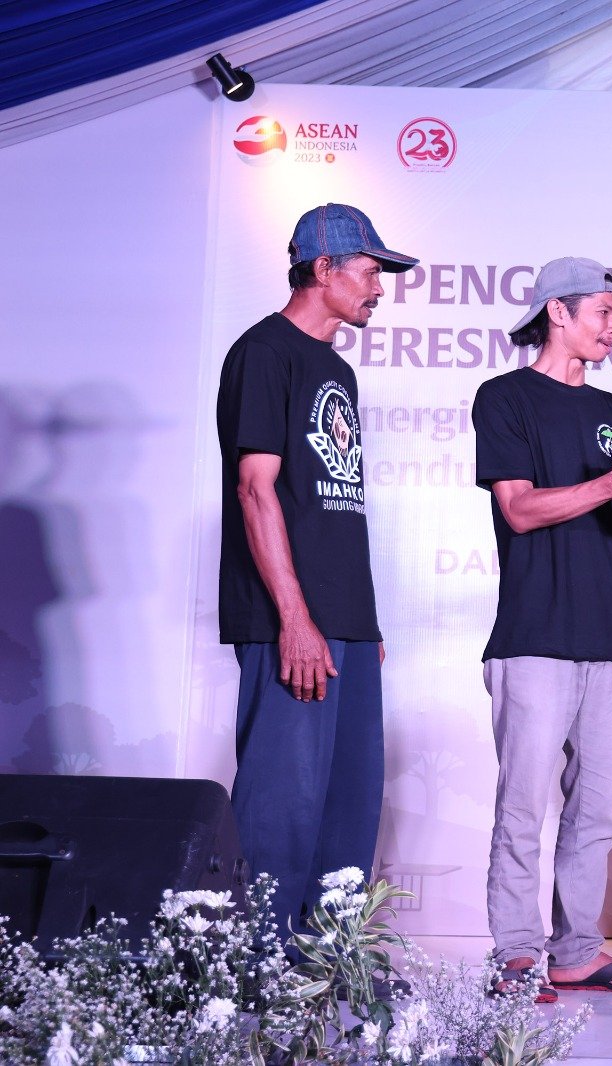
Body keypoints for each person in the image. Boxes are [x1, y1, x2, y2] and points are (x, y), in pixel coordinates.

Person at [473, 256, 612, 1000]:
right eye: (604, 310)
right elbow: (520, 509)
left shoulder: (610, 411)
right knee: (523, 806)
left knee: (596, 811)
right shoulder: (505, 397)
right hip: (534, 635)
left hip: (609, 637)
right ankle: (515, 953)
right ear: (558, 313)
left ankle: (576, 951)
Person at [216, 203, 417, 940]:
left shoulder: (336, 368)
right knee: (282, 805)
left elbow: (333, 505)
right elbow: (255, 490)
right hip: (289, 621)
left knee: (348, 806)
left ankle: (331, 970)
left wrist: (363, 625)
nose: (380, 288)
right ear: (323, 269)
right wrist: (295, 619)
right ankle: (258, 970)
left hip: (346, 622)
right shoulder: (264, 352)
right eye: (369, 272)